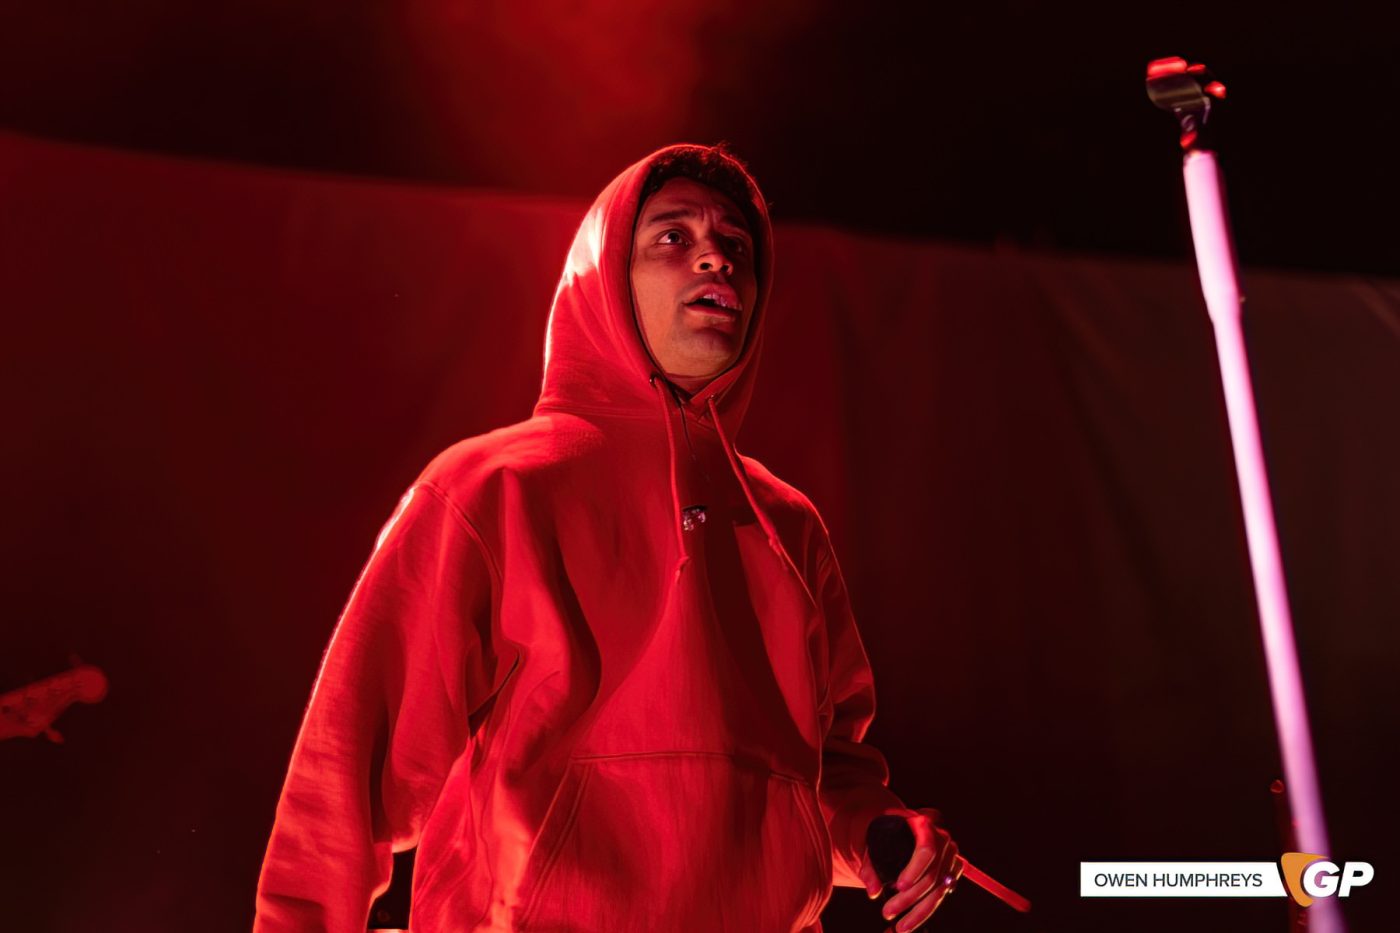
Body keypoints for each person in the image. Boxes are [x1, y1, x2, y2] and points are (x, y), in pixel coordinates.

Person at [253, 143, 960, 933]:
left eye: (735, 245)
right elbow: (345, 777)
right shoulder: (494, 488)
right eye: (672, 238)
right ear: (603, 280)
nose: (716, 260)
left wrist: (873, 832)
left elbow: (817, 777)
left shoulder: (787, 524)